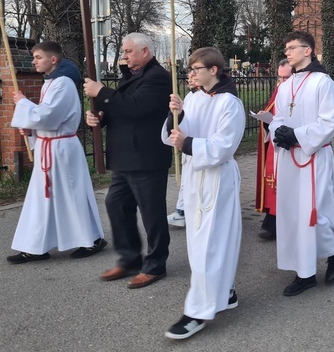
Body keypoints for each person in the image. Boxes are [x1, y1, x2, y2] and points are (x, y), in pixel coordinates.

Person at [162, 47, 245, 340]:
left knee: (211, 242)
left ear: (213, 70)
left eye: (196, 68)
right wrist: (179, 114)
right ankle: (227, 291)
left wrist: (188, 144)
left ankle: (197, 311)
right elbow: (175, 135)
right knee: (199, 241)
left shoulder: (230, 104)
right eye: (190, 69)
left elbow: (224, 146)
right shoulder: (194, 99)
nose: (191, 73)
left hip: (217, 178)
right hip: (196, 175)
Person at [85, 32, 171, 289]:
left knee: (151, 213)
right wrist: (100, 119)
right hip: (124, 158)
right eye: (123, 51)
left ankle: (155, 265)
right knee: (116, 204)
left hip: (146, 157)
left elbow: (135, 107)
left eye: (128, 51)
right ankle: (130, 258)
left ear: (145, 51)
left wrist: (102, 91)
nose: (124, 55)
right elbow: (120, 111)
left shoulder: (157, 78)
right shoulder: (131, 77)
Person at [7, 41, 106, 264]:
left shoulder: (63, 83)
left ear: (53, 59)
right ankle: (35, 246)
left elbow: (49, 116)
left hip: (61, 149)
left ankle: (92, 239)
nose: (34, 61)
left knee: (72, 194)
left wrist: (23, 104)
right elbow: (45, 117)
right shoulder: (50, 82)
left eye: (38, 57)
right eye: (33, 57)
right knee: (43, 198)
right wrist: (31, 127)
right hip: (49, 147)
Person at [269, 31, 334, 296]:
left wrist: (298, 135)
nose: (288, 52)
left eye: (292, 47)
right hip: (290, 158)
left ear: (308, 51)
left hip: (314, 156)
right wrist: (279, 133)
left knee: (316, 212)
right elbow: (279, 116)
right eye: (286, 48)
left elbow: (333, 121)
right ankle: (304, 273)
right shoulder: (285, 85)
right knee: (293, 214)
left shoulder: (322, 82)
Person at [255, 59, 292, 240]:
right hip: (275, 145)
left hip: (292, 146)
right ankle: (272, 221)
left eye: (286, 78)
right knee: (273, 185)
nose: (282, 82)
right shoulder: (279, 91)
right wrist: (265, 119)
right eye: (280, 77)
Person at [167, 72, 199, 228]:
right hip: (187, 146)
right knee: (186, 181)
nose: (189, 79)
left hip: (197, 147)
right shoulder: (190, 97)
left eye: (193, 76)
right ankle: (182, 211)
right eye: (188, 77)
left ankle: (184, 211)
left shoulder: (207, 98)